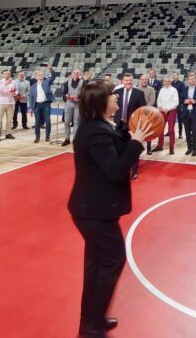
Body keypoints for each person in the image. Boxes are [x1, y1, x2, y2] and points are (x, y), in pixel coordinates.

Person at [68, 80, 153, 336]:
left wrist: (130, 132)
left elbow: (115, 146)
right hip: (93, 211)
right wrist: (136, 142)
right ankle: (92, 326)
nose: (116, 98)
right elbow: (115, 169)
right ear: (101, 102)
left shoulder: (100, 126)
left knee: (96, 265)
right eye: (112, 96)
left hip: (94, 208)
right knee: (113, 259)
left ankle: (91, 322)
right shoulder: (95, 132)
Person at [113, 73, 146, 179]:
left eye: (130, 80)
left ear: (133, 81)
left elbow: (143, 110)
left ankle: (134, 170)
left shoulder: (139, 93)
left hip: (133, 125)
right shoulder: (117, 92)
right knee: (120, 148)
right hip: (119, 124)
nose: (128, 82)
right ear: (122, 81)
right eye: (126, 80)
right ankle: (124, 168)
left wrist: (140, 124)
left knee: (133, 148)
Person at [29, 64, 56, 143]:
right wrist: (30, 108)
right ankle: (37, 137)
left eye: (41, 75)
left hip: (46, 104)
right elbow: (31, 98)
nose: (40, 75)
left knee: (47, 121)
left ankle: (47, 136)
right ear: (35, 77)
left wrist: (51, 69)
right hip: (37, 105)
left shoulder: (47, 82)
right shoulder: (33, 86)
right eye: (38, 75)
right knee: (37, 122)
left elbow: (53, 77)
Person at [180, 72, 196, 157]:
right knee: (187, 132)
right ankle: (189, 148)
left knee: (194, 132)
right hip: (186, 113)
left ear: (195, 79)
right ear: (188, 80)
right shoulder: (184, 89)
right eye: (190, 79)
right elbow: (181, 99)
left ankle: (194, 149)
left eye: (193, 79)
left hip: (195, 113)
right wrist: (184, 101)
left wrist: (195, 101)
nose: (192, 80)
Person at [155, 76, 179, 155]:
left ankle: (171, 147)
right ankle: (160, 146)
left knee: (171, 130)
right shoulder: (161, 90)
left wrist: (168, 109)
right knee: (160, 129)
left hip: (171, 111)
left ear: (170, 82)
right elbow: (158, 100)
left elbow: (176, 102)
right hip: (162, 111)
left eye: (168, 81)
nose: (166, 82)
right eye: (165, 81)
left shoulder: (174, 90)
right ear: (163, 82)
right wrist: (160, 106)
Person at [0, 70, 16, 142]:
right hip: (1, 103)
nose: (7, 75)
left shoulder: (13, 82)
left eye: (9, 74)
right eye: (6, 74)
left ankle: (8, 133)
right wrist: (6, 84)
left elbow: (16, 90)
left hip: (11, 103)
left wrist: (15, 93)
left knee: (9, 120)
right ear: (2, 75)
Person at [62, 70, 83, 147]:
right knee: (66, 122)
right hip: (69, 103)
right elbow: (64, 93)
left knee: (76, 122)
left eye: (77, 73)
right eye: (74, 73)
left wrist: (78, 97)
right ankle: (67, 139)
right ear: (72, 74)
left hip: (78, 104)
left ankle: (75, 139)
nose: (76, 74)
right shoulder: (67, 82)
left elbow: (85, 92)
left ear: (79, 74)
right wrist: (66, 98)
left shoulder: (83, 82)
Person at [138, 74, 156, 155]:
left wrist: (144, 108)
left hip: (148, 112)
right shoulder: (137, 89)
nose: (144, 81)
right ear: (140, 80)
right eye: (143, 79)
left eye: (145, 79)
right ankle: (139, 147)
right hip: (139, 113)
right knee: (139, 131)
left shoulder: (151, 89)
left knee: (148, 130)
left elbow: (152, 101)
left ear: (147, 80)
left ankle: (149, 148)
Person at [171, 71, 185, 140]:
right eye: (173, 75)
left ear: (178, 76)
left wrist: (182, 104)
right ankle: (170, 131)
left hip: (179, 104)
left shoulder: (182, 84)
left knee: (180, 119)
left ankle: (180, 133)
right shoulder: (171, 83)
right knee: (171, 119)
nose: (174, 76)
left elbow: (183, 94)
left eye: (175, 75)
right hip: (171, 104)